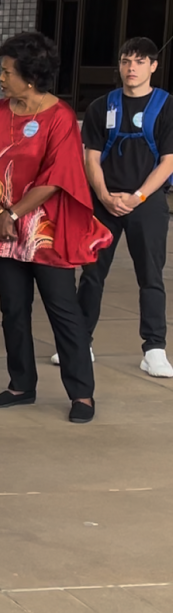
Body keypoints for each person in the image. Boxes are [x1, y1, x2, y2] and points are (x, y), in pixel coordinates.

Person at [0, 33, 111, 424]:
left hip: (45, 230)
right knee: (13, 309)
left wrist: (11, 214)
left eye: (7, 72)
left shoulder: (59, 117)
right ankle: (21, 384)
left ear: (30, 77)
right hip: (3, 228)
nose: (0, 78)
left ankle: (82, 393)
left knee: (63, 310)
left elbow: (56, 177)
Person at [60, 37, 173, 378]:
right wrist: (106, 195)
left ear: (153, 66)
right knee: (92, 274)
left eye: (139, 62)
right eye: (126, 61)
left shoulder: (167, 106)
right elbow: (90, 158)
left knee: (151, 276)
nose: (131, 68)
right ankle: (80, 342)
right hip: (105, 200)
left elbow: (169, 162)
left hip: (147, 201)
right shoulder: (101, 107)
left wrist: (137, 197)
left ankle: (154, 348)